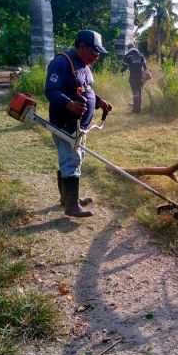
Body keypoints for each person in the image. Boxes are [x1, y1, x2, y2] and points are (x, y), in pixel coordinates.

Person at [45, 30, 113, 217]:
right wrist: (69, 104)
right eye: (94, 52)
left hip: (79, 126)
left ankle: (67, 198)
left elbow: (86, 88)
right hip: (65, 124)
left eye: (99, 53)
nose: (97, 57)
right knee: (72, 161)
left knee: (74, 159)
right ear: (82, 46)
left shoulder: (84, 64)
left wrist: (98, 101)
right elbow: (51, 90)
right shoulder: (62, 62)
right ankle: (72, 206)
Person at [121, 43, 147, 114]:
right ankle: (138, 108)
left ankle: (135, 110)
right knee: (139, 91)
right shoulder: (140, 55)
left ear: (128, 48)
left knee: (135, 92)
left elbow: (125, 67)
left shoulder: (127, 55)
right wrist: (145, 75)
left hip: (133, 76)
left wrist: (122, 71)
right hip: (140, 76)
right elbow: (145, 67)